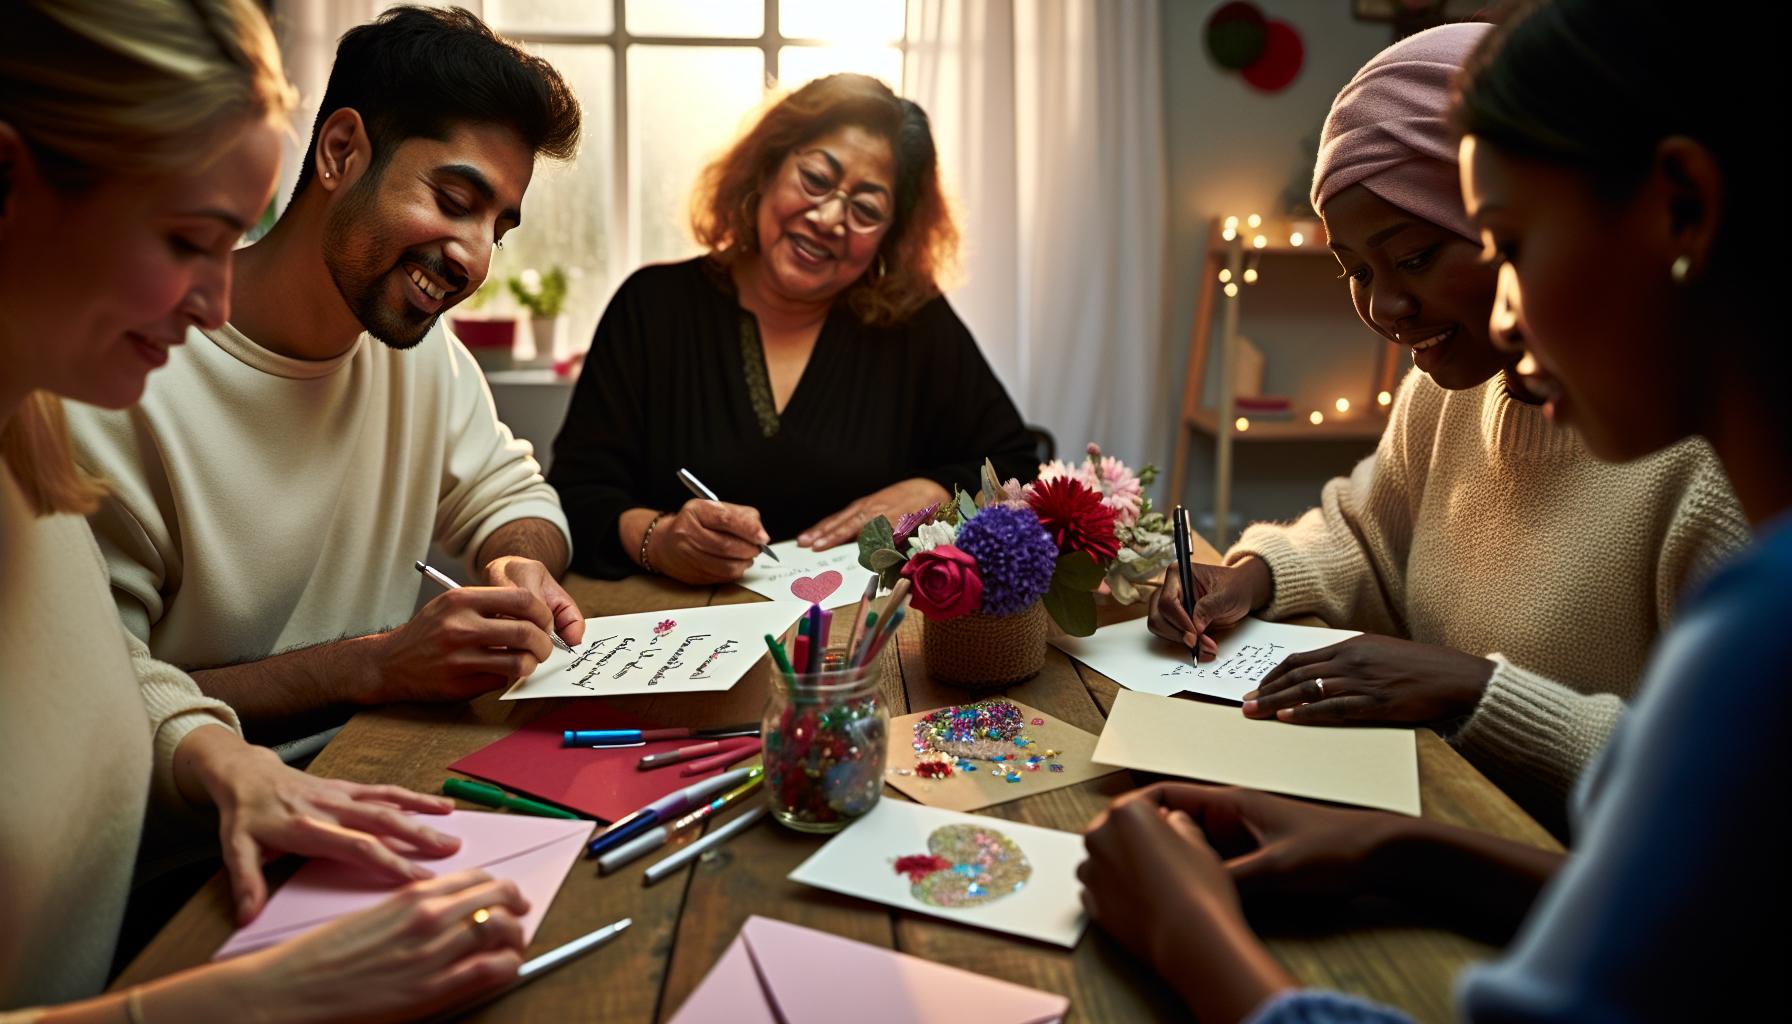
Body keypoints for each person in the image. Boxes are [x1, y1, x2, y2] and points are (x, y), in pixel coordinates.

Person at [1083, 0, 1785, 1019]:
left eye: (1505, 244)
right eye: (1356, 272)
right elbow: (1367, 525)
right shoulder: (1470, 399)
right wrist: (1405, 848)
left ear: (1679, 208)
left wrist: (1188, 929)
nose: (1504, 309)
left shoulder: (1749, 588)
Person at [1, 2, 531, 1019]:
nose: (213, 301)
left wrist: (216, 754)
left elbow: (118, 674)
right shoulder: (95, 397)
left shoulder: (30, 435)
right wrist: (244, 999)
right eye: (190, 237)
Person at [1146, 23, 1746, 829]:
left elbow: (1731, 794)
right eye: (1355, 271)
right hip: (1439, 822)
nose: (1384, 310)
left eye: (1419, 256)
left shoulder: (1710, 464)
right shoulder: (1453, 389)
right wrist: (1254, 574)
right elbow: (1368, 535)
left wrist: (1479, 691)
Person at [65, 5, 588, 738]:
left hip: (374, 774)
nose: (475, 259)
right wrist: (370, 667)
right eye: (455, 202)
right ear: (340, 151)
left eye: (495, 228)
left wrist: (517, 563)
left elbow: (514, 497)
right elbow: (99, 705)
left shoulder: (419, 352)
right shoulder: (121, 376)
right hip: (202, 834)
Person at [548, 73, 1036, 584]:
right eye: (816, 180)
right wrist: (659, 539)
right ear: (767, 168)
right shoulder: (651, 306)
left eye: (866, 209)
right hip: (674, 634)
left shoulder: (915, 324)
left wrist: (934, 491)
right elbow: (578, 494)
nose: (828, 218)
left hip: (862, 637)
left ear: (891, 237)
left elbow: (1016, 463)